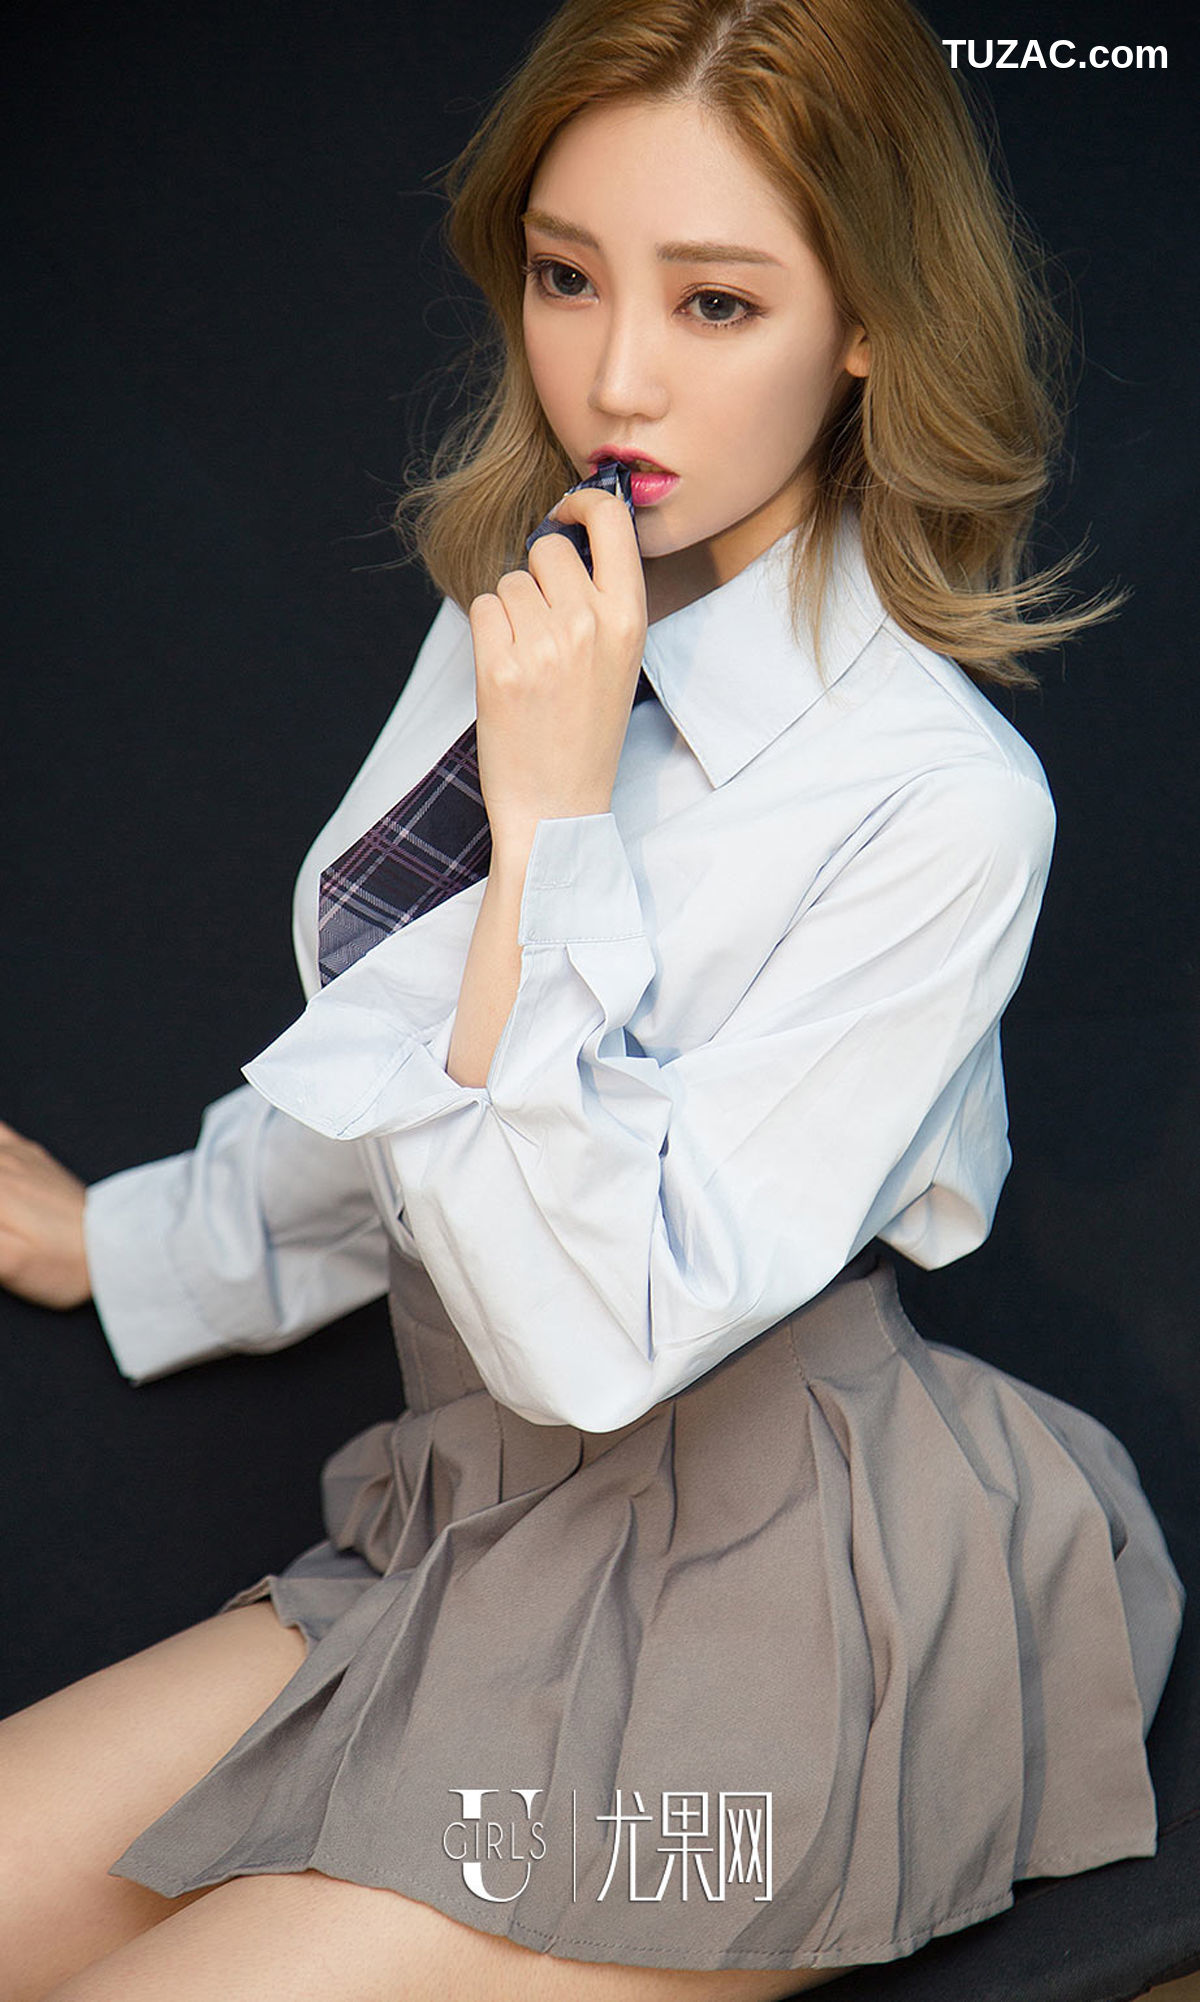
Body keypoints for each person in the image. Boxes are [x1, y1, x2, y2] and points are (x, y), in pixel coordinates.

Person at [0, 0, 1185, 1995]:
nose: (616, 375)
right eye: (567, 276)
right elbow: (400, 1073)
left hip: (777, 1603)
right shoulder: (545, 616)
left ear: (870, 319)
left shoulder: (940, 803)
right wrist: (123, 1242)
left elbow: (587, 1337)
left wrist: (549, 829)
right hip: (478, 1524)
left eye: (717, 302)